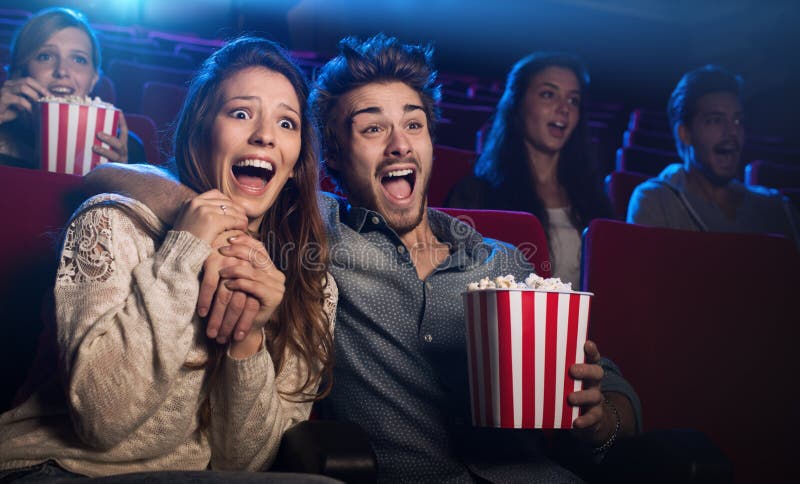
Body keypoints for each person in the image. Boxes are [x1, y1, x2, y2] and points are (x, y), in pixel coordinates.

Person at [81, 34, 642, 483]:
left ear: (429, 144)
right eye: (373, 128)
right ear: (332, 158)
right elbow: (109, 177)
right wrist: (204, 215)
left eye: (414, 125)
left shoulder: (503, 263)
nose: (399, 144)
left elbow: (617, 397)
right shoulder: (311, 229)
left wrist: (597, 422)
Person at [0, 36, 336, 480]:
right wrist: (183, 255)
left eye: (287, 123)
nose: (265, 136)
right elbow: (102, 421)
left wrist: (248, 338)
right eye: (240, 113)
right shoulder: (110, 223)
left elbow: (243, 464)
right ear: (198, 134)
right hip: (57, 467)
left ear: (295, 165)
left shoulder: (311, 284)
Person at [445, 52, 612, 286]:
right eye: (548, 94)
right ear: (518, 104)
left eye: (573, 100)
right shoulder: (476, 194)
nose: (564, 108)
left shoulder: (595, 201)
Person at [627, 65, 800, 245]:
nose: (732, 132)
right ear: (685, 133)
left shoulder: (777, 207)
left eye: (737, 120)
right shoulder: (656, 201)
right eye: (715, 121)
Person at [0, 7, 145, 168]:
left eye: (78, 59)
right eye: (45, 56)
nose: (62, 70)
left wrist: (120, 178)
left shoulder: (125, 150)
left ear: (93, 79)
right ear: (19, 72)